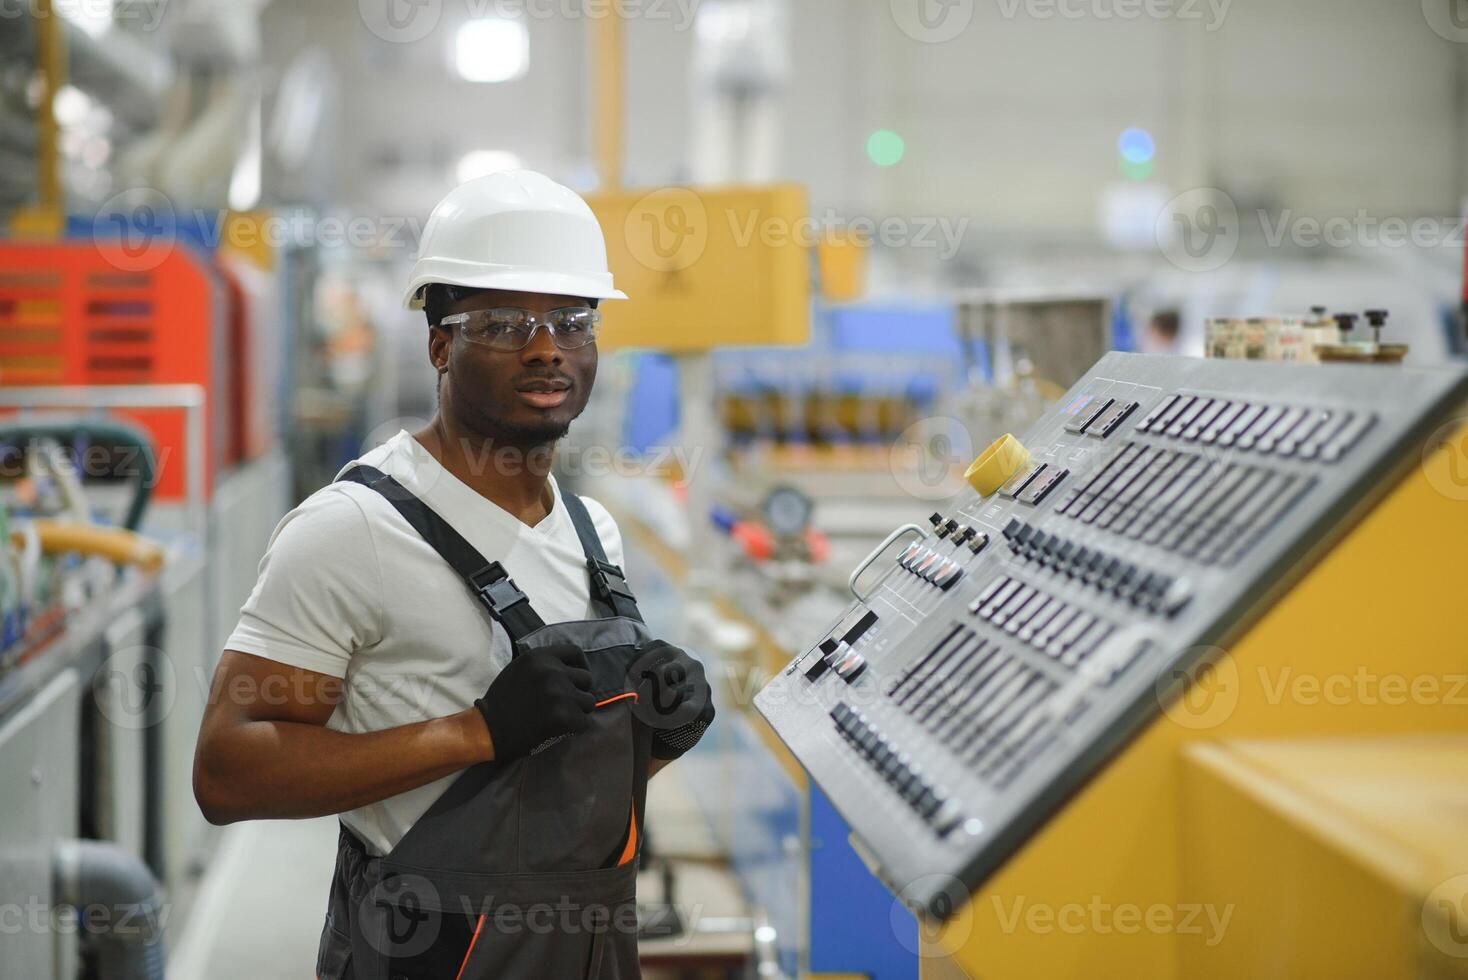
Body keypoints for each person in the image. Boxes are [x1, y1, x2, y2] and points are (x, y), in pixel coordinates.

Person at [193, 170, 714, 979]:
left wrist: (651, 732)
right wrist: (472, 733)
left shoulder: (593, 532)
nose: (546, 347)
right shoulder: (353, 529)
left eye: (572, 320)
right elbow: (226, 772)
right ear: (440, 344)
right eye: (505, 323)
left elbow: (546, 787)